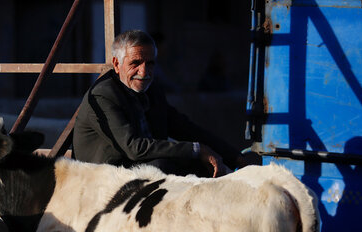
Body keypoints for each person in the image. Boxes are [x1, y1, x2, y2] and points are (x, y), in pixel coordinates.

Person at [72, 30, 248, 177]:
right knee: (164, 167)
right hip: (102, 179)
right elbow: (134, 148)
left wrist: (233, 156)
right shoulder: (104, 95)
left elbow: (184, 127)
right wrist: (196, 149)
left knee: (205, 168)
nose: (144, 71)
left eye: (150, 64)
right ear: (117, 64)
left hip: (137, 171)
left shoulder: (152, 90)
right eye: (135, 63)